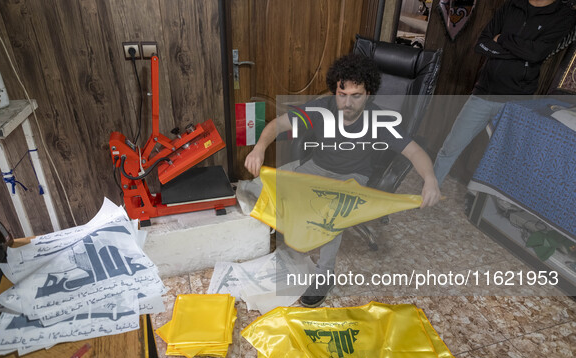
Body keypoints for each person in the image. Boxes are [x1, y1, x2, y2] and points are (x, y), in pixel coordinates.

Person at [244, 53, 441, 307]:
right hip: (316, 168)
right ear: (335, 90)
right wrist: (259, 148)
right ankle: (287, 240)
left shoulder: (380, 120)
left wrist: (430, 179)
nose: (347, 103)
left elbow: (415, 151)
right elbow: (278, 125)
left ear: (368, 94)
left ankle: (325, 275)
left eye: (356, 95)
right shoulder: (321, 107)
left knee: (331, 214)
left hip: (351, 178)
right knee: (255, 187)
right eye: (342, 94)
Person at [433, 0, 576, 187]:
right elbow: (481, 44)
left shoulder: (564, 15)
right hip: (484, 92)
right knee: (449, 147)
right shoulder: (511, 6)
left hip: (516, 100)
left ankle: (478, 205)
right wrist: (520, 52)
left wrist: (501, 39)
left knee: (500, 160)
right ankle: (428, 191)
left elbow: (537, 54)